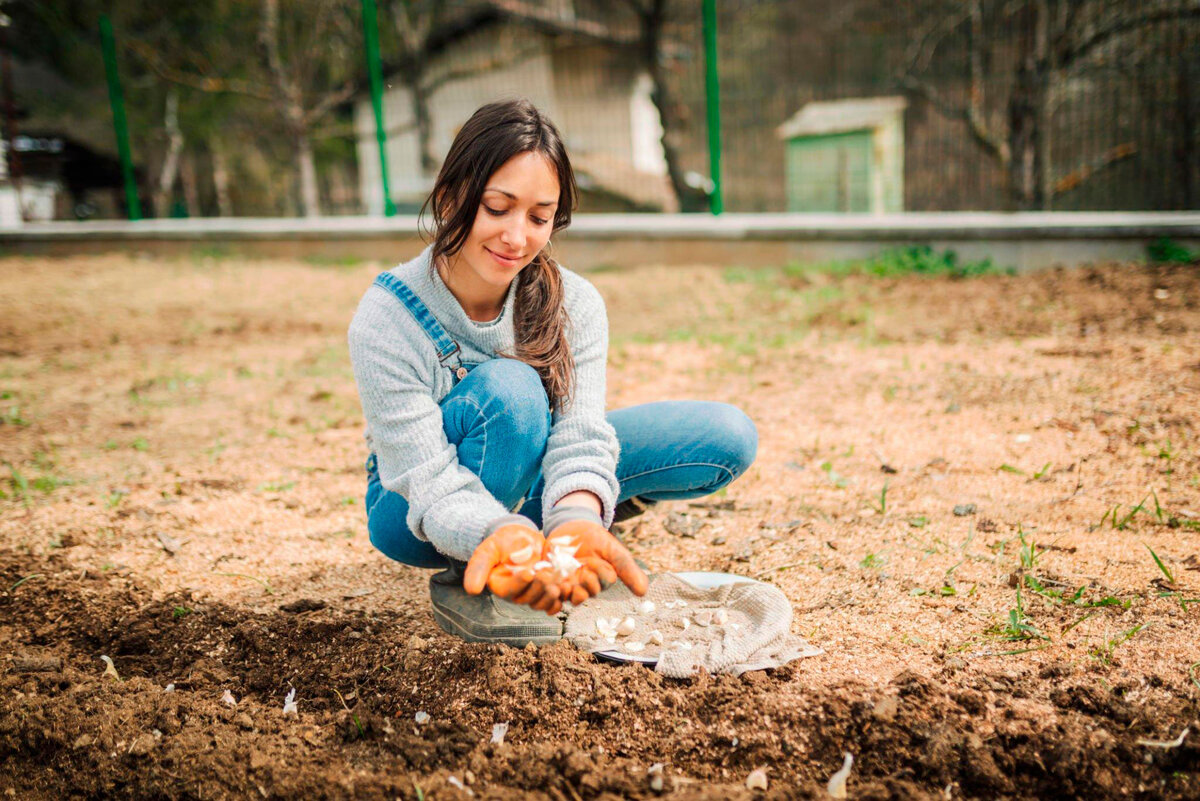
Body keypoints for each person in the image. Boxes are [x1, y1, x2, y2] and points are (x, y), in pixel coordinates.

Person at [348, 98, 757, 646]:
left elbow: (580, 431)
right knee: (512, 390)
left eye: (539, 218)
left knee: (723, 437)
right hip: (414, 506)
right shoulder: (386, 318)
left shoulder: (575, 303)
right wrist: (497, 532)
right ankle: (485, 561)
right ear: (450, 198)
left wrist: (579, 518)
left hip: (525, 475)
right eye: (497, 208)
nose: (517, 237)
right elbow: (424, 477)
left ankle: (549, 536)